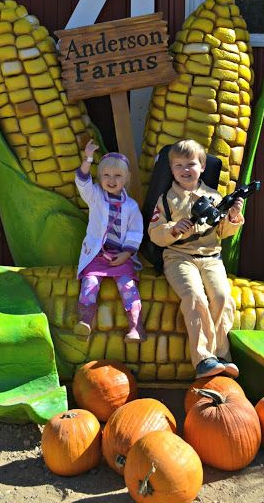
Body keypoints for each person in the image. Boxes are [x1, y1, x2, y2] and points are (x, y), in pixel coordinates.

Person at [148, 139, 244, 379]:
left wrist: (233, 217)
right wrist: (172, 229)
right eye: (178, 165)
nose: (185, 170)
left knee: (222, 297)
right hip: (178, 257)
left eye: (190, 164)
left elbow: (222, 232)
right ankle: (203, 358)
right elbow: (154, 234)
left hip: (210, 257)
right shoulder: (167, 200)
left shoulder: (213, 196)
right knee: (194, 296)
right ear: (171, 170)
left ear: (202, 166)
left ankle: (221, 354)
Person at [74, 139, 146, 343]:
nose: (111, 180)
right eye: (106, 175)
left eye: (117, 176)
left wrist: (127, 253)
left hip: (120, 257)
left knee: (128, 286)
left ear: (126, 179)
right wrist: (88, 157)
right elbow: (82, 181)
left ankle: (135, 327)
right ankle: (85, 321)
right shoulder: (95, 196)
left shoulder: (131, 206)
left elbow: (135, 231)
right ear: (100, 177)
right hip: (97, 255)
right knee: (90, 284)